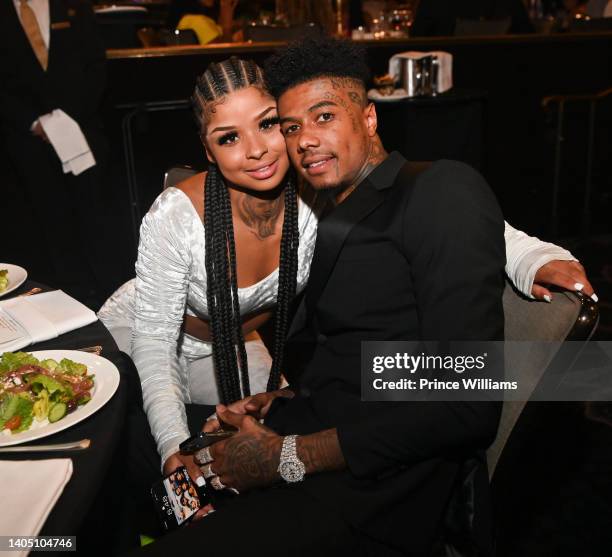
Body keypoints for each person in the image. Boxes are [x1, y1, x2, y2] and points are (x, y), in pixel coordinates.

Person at [123, 35, 594, 557]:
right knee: (125, 453)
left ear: (370, 118)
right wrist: (284, 402)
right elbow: (375, 353)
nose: (301, 141)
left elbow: (464, 402)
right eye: (294, 125)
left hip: (370, 487)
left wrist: (287, 455)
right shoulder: (331, 196)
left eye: (323, 117)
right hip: (314, 421)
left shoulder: (436, 187)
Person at [0, 0, 108, 306]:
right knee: (42, 233)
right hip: (21, 146)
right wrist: (33, 122)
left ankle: (98, 305)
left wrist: (64, 120)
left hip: (82, 135)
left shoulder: (73, 4)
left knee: (92, 227)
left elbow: (95, 64)